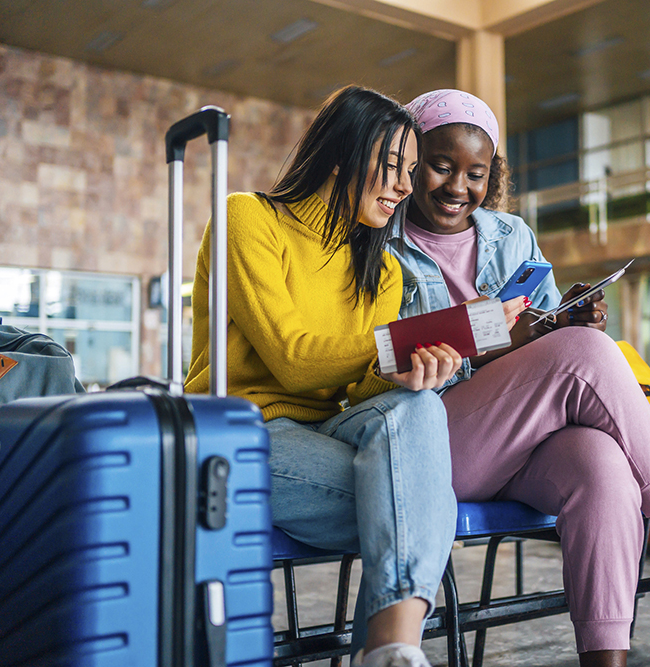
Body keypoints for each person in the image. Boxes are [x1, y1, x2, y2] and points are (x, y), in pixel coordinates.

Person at [386, 89, 650, 667]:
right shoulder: (379, 239)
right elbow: (385, 354)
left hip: (520, 439)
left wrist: (563, 317)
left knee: (602, 463)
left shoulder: (509, 233)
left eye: (475, 173)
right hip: (433, 439)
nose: (457, 187)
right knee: (587, 352)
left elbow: (539, 329)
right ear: (412, 161)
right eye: (440, 167)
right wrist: (500, 338)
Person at [185, 86, 463, 667]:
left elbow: (353, 388)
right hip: (239, 431)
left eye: (411, 170)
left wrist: (409, 370)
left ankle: (392, 647)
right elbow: (293, 357)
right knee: (407, 506)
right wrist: (390, 348)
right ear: (341, 155)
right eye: (392, 167)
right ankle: (386, 651)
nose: (406, 187)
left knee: (420, 409)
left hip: (327, 429)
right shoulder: (248, 219)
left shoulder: (382, 267)